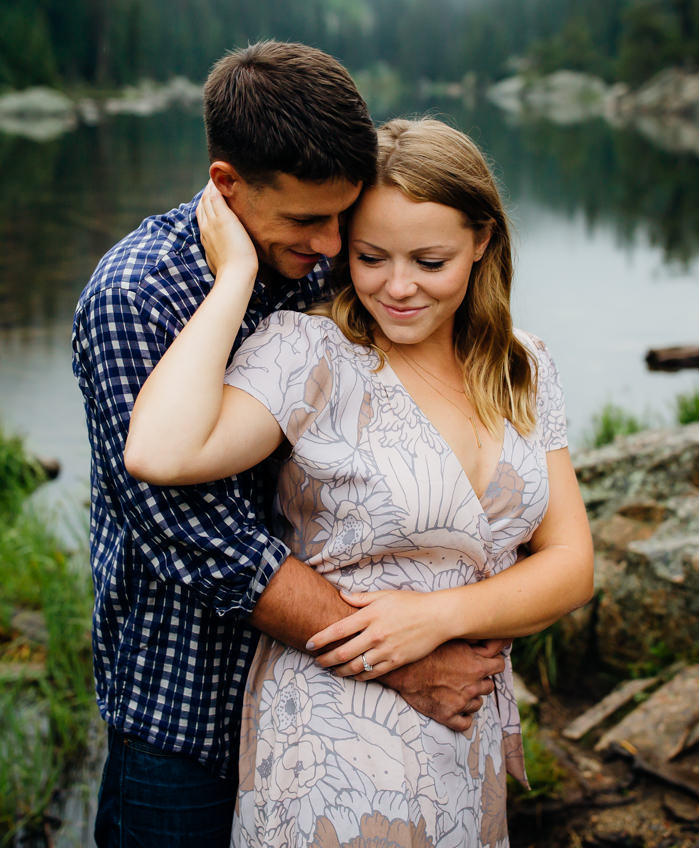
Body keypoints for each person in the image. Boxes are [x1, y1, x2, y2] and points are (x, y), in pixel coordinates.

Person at [72, 45, 510, 848]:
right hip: (187, 707)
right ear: (227, 184)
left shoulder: (325, 267)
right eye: (309, 220)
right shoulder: (135, 296)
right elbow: (204, 542)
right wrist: (406, 661)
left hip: (328, 703)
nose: (337, 247)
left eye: (345, 217)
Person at [125, 117, 595, 847]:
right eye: (372, 257)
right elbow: (160, 451)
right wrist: (236, 278)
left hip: (464, 728)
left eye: (430, 261)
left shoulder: (523, 367)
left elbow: (571, 565)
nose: (398, 287)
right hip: (336, 734)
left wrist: (439, 618)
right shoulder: (310, 353)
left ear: (483, 242)